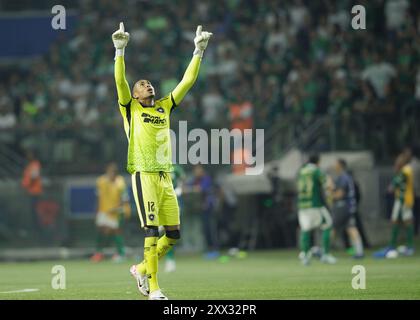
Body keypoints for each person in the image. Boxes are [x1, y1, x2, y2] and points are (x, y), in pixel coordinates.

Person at [112, 22, 212, 300]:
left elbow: (187, 82)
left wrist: (198, 51)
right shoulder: (130, 108)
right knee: (151, 231)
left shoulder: (164, 106)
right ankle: (154, 289)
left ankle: (141, 268)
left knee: (174, 235)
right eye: (142, 85)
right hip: (143, 174)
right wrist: (119, 51)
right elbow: (120, 82)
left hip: (165, 176)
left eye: (148, 83)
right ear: (135, 94)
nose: (147, 85)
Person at [297, 154, 336, 265]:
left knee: (305, 230)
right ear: (318, 161)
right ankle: (326, 255)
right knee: (327, 225)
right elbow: (327, 184)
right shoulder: (316, 170)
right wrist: (330, 194)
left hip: (302, 205)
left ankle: (305, 256)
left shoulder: (301, 171)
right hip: (315, 204)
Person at [374, 154, 415, 257]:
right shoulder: (407, 170)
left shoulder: (405, 171)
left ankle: (395, 246)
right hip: (405, 199)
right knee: (405, 221)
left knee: (399, 221)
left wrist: (392, 186)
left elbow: (395, 184)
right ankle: (406, 246)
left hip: (403, 200)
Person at [91, 163, 131, 263]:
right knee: (102, 231)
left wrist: (119, 208)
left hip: (116, 212)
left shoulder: (120, 183)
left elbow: (125, 199)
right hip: (103, 211)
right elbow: (98, 197)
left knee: (116, 231)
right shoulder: (101, 181)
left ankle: (120, 253)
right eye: (109, 172)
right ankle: (99, 253)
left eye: (113, 173)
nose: (111, 174)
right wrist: (96, 211)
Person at [332, 159, 364, 259]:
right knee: (351, 228)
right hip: (350, 207)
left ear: (340, 166)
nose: (334, 166)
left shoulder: (343, 178)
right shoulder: (348, 177)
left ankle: (324, 252)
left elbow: (340, 194)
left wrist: (330, 194)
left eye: (336, 164)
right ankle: (359, 251)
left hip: (343, 206)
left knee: (331, 228)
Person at [21, 150, 43, 239]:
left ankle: (37, 231)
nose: (28, 156)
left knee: (34, 213)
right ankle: (35, 230)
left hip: (34, 192)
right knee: (32, 212)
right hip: (31, 192)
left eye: (30, 154)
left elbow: (34, 176)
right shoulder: (30, 165)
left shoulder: (35, 164)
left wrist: (27, 185)